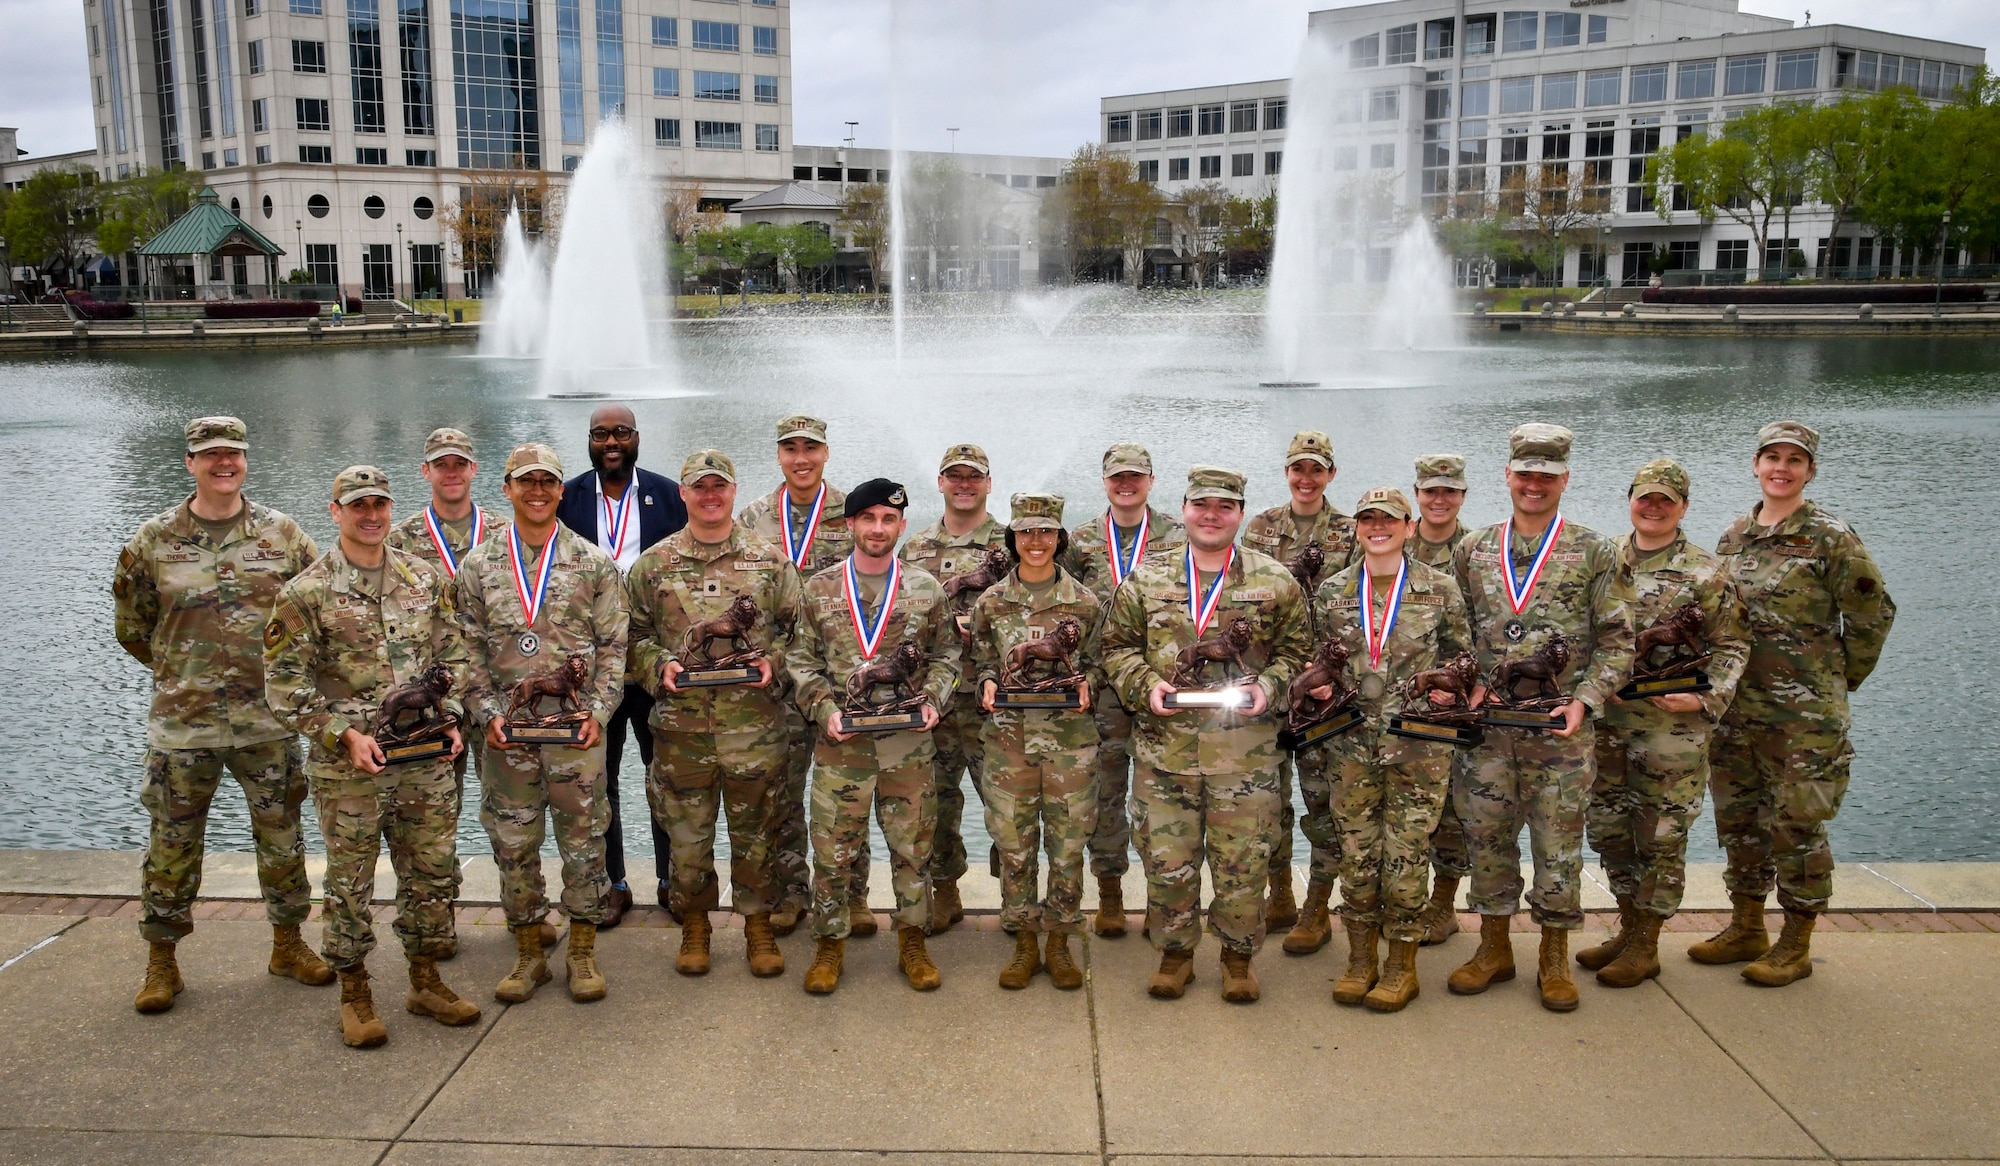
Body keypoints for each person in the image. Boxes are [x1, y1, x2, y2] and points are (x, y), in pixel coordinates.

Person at [114, 415, 330, 1015]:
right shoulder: (152, 542)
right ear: (190, 463)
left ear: (245, 459)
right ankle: (162, 962)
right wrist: (185, 674)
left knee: (283, 838)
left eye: (232, 453)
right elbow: (133, 629)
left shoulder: (283, 536)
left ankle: (288, 945)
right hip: (184, 727)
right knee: (173, 845)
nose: (223, 464)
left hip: (269, 722)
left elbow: (316, 616)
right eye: (210, 455)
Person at [264, 466, 480, 1047]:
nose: (371, 515)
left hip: (425, 762)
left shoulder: (424, 580)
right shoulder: (305, 593)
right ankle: (355, 991)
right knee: (350, 882)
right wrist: (342, 734)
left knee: (432, 874)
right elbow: (284, 685)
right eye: (358, 505)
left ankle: (426, 980)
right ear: (335, 511)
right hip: (348, 769)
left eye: (379, 505)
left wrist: (453, 717)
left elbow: (453, 656)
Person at [1100, 466, 1311, 1004]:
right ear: (1185, 508)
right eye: (1202, 505)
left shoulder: (1275, 581)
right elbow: (1116, 647)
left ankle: (1238, 958)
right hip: (1164, 756)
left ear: (1240, 513)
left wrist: (1270, 685)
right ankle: (1176, 955)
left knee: (1243, 866)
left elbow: (1299, 653)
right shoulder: (1146, 579)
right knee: (1168, 862)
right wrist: (1144, 684)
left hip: (1246, 757)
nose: (1212, 516)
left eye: (1225, 507)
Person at [1697, 421, 1895, 986]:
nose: (1781, 468)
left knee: (1797, 826)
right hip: (1736, 713)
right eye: (1772, 458)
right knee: (1740, 822)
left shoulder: (1830, 537)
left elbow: (1872, 616)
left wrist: (1833, 681)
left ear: (1810, 469)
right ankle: (1746, 927)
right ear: (1756, 465)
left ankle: (1797, 942)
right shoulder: (1735, 535)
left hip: (1804, 720)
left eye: (1794, 460)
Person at [1447, 424, 1632, 1012]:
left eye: (1546, 476)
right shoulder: (1473, 548)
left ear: (1565, 480)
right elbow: (1455, 635)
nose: (1534, 484)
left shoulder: (1596, 550)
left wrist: (1587, 700)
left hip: (1560, 733)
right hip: (1488, 735)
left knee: (1558, 846)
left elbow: (1619, 639)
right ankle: (1494, 948)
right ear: (1506, 476)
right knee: (1487, 840)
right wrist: (1464, 685)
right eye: (1524, 473)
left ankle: (1553, 956)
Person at [456, 443, 628, 1004]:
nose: (537, 492)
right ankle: (529, 953)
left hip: (575, 739)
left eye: (547, 483)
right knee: (513, 843)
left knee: (583, 842)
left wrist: (598, 714)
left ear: (560, 490)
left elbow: (613, 649)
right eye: (525, 482)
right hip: (507, 739)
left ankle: (581, 953)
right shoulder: (479, 566)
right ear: (506, 489)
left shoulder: (592, 563)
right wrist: (486, 716)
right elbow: (465, 652)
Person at [626, 450, 800, 979]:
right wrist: (661, 666)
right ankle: (696, 926)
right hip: (682, 734)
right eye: (698, 486)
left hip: (754, 729)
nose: (709, 495)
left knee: (757, 834)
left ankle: (758, 927)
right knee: (688, 839)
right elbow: (630, 637)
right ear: (682, 493)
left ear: (732, 489)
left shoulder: (769, 562)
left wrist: (773, 662)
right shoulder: (651, 566)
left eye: (718, 486)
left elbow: (800, 636)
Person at [785, 478, 960, 994]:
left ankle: (912, 941)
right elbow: (800, 660)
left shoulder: (925, 589)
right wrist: (821, 707)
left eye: (888, 520)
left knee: (913, 851)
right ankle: (828, 946)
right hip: (843, 749)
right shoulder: (819, 589)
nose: (878, 528)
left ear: (901, 527)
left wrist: (933, 700)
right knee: (833, 853)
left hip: (907, 749)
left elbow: (948, 656)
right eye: (869, 519)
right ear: (851, 525)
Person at [1580, 460, 1749, 988]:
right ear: (1630, 499)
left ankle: (1647, 944)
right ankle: (1628, 929)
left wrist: (1704, 700)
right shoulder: (1602, 560)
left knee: (1661, 833)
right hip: (1606, 722)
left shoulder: (1706, 572)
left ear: (1683, 508)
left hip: (1669, 731)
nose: (1653, 507)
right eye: (1645, 497)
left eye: (1665, 501)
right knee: (1608, 829)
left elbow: (1733, 645)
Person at [1307, 488, 1471, 1012]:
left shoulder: (1438, 588)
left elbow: (1463, 658)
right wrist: (1315, 687)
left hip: (1418, 746)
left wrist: (1453, 689)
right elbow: (1314, 659)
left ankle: (1402, 965)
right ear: (1357, 527)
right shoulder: (1332, 591)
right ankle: (1360, 960)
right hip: (1351, 745)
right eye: (1368, 519)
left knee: (1405, 857)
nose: (1378, 527)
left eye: (1389, 519)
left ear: (1408, 526)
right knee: (1355, 853)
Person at [554, 405, 687, 927]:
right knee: (598, 780)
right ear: (589, 441)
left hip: (656, 664)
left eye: (622, 433)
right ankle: (611, 883)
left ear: (637, 438)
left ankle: (672, 877)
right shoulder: (565, 498)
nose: (613, 442)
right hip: (591, 670)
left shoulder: (671, 496)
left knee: (666, 775)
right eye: (602, 434)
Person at [968, 493, 1105, 990]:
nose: (1036, 542)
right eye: (1026, 532)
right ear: (1013, 538)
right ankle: (1024, 936)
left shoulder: (1084, 603)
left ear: (1060, 538)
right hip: (1008, 744)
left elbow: (1099, 660)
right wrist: (986, 680)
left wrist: (1088, 681)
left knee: (1068, 846)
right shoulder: (992, 601)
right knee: (1015, 846)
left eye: (1045, 532)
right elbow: (982, 655)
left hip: (1070, 742)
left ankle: (1060, 939)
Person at [1062, 442, 1185, 939]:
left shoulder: (1179, 537)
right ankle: (1110, 891)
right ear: (1105, 481)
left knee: (1165, 797)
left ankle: (1162, 898)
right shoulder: (1081, 540)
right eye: (1117, 477)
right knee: (1106, 791)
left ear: (1152, 481)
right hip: (1104, 689)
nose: (1126, 484)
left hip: (1165, 685)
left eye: (1135, 476)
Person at [739, 415, 853, 936]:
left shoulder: (854, 512)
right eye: (791, 449)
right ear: (779, 455)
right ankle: (791, 892)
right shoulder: (754, 517)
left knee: (847, 794)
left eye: (811, 448)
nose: (801, 458)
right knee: (782, 794)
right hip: (777, 683)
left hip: (841, 680)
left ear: (826, 453)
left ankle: (853, 895)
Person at [1244, 430, 1357, 944]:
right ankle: (1280, 893)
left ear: (1330, 473)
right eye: (1298, 468)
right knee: (1269, 798)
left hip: (1322, 691)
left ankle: (1318, 904)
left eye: (1316, 469)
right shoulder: (1261, 526)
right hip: (1271, 684)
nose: (1306, 478)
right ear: (1287, 472)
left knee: (1321, 797)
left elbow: (1362, 608)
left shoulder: (1354, 531)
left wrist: (1323, 677)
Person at [387, 426, 492, 952]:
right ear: (424, 471)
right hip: (432, 700)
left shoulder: (505, 530)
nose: (451, 473)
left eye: (460, 464)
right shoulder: (398, 539)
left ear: (474, 469)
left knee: (509, 810)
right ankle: (437, 919)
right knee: (430, 817)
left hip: (495, 693)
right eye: (440, 464)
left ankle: (523, 909)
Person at [897, 443, 1008, 932]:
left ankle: (1017, 895)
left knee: (1009, 806)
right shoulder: (915, 547)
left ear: (989, 483)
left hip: (997, 701)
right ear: (939, 482)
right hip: (936, 701)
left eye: (974, 476)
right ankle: (946, 891)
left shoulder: (1014, 543)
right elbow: (896, 617)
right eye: (954, 476)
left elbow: (1040, 613)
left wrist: (981, 630)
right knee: (936, 804)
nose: (964, 484)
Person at [1407, 453, 1474, 946]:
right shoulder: (1388, 542)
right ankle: (1402, 894)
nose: (1439, 499)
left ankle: (1442, 904)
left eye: (1449, 491)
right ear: (1417, 493)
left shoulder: (1476, 552)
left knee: (1452, 807)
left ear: (1463, 495)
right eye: (1431, 490)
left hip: (1455, 701)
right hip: (1400, 708)